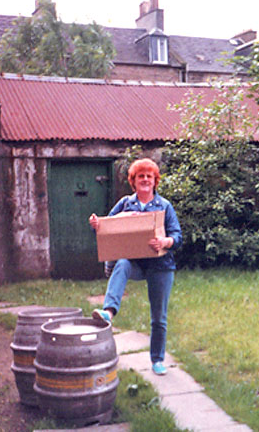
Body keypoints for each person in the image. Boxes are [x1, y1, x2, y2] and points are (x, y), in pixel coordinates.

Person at [89, 158, 182, 376]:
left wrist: (165, 242)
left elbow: (177, 236)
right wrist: (97, 224)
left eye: (149, 176)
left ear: (155, 181)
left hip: (160, 265)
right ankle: (108, 312)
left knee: (158, 317)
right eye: (141, 176)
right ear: (134, 180)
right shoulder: (125, 203)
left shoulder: (164, 206)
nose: (145, 180)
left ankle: (158, 360)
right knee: (122, 262)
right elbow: (105, 228)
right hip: (135, 263)